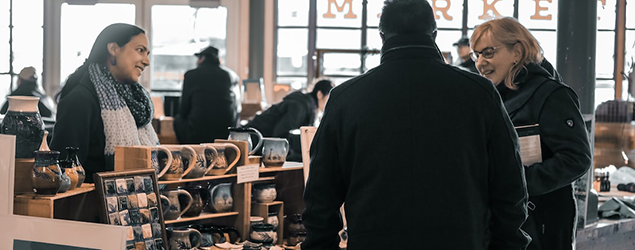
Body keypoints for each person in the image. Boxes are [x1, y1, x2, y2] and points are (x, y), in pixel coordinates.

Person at [302, 1, 530, 249]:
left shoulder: (345, 99)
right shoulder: (479, 93)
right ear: (434, 34)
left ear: (381, 37)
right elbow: (510, 185)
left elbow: (320, 196)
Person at [470, 17, 592, 250]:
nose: (480, 63)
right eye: (476, 56)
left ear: (517, 51)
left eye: (488, 52)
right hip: (501, 224)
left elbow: (576, 159)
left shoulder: (550, 95)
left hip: (541, 224)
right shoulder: (491, 98)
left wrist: (519, 185)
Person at [50, 23, 158, 183]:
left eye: (147, 53)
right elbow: (62, 174)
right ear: (114, 49)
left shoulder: (133, 101)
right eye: (140, 50)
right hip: (91, 204)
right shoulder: (80, 100)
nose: (146, 61)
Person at [173, 46, 241, 144]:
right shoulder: (231, 76)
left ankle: (187, 155)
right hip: (225, 136)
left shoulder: (191, 75)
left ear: (202, 58)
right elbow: (237, 109)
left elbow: (183, 110)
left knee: (178, 120)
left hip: (197, 136)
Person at [244, 79, 333, 138]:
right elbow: (280, 134)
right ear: (320, 94)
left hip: (257, 135)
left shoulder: (306, 105)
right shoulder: (300, 106)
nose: (330, 103)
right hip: (253, 136)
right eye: (328, 98)